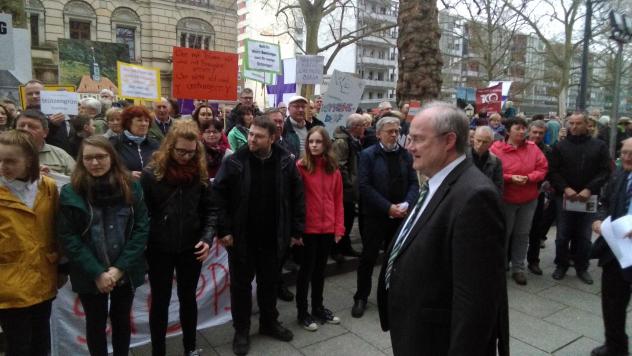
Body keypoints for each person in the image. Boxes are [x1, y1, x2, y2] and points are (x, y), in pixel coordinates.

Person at [377, 102, 508, 356]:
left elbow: (475, 302)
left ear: (449, 141)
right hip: (415, 328)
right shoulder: (436, 181)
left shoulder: (476, 197)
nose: (409, 146)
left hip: (436, 340)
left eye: (418, 139)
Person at [213, 116, 305, 356]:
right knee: (241, 288)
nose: (252, 139)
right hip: (243, 238)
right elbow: (218, 198)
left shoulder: (285, 161)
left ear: (272, 138)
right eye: (251, 134)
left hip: (274, 237)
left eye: (258, 136)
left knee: (269, 283)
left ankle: (268, 322)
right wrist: (224, 230)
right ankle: (241, 330)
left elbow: (297, 196)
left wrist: (296, 230)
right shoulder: (234, 162)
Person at [57, 136, 149, 356]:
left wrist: (119, 269)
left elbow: (141, 228)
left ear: (112, 158)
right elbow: (68, 237)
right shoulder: (71, 192)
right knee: (95, 324)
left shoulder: (131, 187)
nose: (95, 163)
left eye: (100, 157)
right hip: (89, 274)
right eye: (88, 158)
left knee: (121, 320)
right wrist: (98, 273)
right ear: (81, 161)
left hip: (124, 271)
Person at [141, 120, 216, 356]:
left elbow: (210, 210)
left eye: (191, 152)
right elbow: (143, 215)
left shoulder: (199, 172)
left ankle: (190, 347)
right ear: (170, 147)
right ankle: (158, 351)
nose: (185, 156)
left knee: (188, 299)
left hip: (190, 246)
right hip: (160, 248)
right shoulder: (151, 174)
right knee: (160, 302)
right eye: (181, 151)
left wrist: (207, 238)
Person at [351, 116, 419, 318]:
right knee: (368, 257)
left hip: (400, 215)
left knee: (395, 258)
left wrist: (406, 203)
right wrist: (388, 207)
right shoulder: (368, 155)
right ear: (379, 133)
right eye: (390, 131)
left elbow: (414, 184)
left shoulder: (406, 156)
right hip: (375, 215)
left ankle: (390, 296)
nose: (394, 135)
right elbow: (364, 186)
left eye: (397, 131)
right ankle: (361, 297)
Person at [0, 130, 60, 356]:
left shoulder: (47, 187)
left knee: (41, 343)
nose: (3, 166)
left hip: (43, 280)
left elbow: (55, 229)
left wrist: (61, 266)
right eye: (0, 160)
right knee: (18, 346)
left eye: (10, 161)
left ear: (29, 161)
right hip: (9, 285)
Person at [549, 112, 611, 284]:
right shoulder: (560, 146)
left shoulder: (599, 146)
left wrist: (589, 189)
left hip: (588, 198)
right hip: (564, 197)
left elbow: (605, 171)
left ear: (586, 125)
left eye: (578, 123)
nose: (574, 127)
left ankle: (581, 266)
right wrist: (565, 188)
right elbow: (553, 171)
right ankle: (561, 264)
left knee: (584, 235)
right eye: (572, 123)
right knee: (562, 234)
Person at [295, 127, 345, 331]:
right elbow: (295, 200)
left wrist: (338, 227)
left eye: (318, 142)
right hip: (308, 229)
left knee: (319, 272)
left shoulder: (333, 169)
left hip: (327, 228)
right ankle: (302, 312)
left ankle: (318, 307)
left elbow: (338, 199)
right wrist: (296, 231)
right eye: (311, 141)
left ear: (326, 144)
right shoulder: (301, 166)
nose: (314, 145)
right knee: (305, 273)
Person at [491, 117, 548, 285]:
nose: (523, 131)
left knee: (522, 235)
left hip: (528, 199)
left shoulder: (533, 148)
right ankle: (500, 266)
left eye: (524, 128)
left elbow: (543, 168)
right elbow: (492, 171)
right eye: (518, 128)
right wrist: (509, 178)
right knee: (504, 233)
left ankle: (518, 268)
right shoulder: (496, 148)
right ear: (508, 131)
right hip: (506, 199)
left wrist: (529, 178)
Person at [590, 138, 632, 356]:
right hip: (615, 251)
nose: (626, 158)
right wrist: (598, 219)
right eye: (624, 153)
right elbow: (605, 202)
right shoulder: (618, 175)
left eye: (631, 154)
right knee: (612, 304)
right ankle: (615, 346)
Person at [331, 113, 365, 261]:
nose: (365, 128)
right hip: (345, 190)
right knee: (343, 219)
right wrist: (350, 183)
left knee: (349, 219)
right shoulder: (342, 142)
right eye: (363, 125)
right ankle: (336, 249)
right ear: (355, 127)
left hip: (350, 189)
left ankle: (345, 246)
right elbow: (339, 165)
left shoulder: (353, 140)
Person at [526, 120, 555, 275]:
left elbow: (550, 172)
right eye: (535, 132)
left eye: (541, 133)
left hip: (538, 194)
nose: (537, 135)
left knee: (536, 229)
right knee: (515, 229)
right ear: (529, 131)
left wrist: (545, 188)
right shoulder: (520, 146)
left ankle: (533, 260)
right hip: (519, 193)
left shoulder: (548, 151)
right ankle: (509, 259)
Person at [16, 109, 76, 176]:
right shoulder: (3, 152)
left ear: (45, 132)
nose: (25, 129)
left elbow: (77, 181)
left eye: (32, 127)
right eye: (21, 126)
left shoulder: (61, 156)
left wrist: (52, 175)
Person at [110, 105, 159, 180]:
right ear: (128, 123)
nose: (144, 124)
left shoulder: (154, 144)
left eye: (146, 120)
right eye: (139, 120)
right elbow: (108, 170)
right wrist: (127, 175)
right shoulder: (115, 143)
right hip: (126, 188)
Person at [24, 79, 74, 154]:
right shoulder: (23, 117)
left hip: (65, 157)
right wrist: (53, 125)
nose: (34, 96)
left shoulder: (58, 110)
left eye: (38, 93)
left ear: (45, 93)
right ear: (25, 96)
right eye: (30, 94)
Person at [468, 125, 503, 193]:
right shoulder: (462, 157)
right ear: (474, 138)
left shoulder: (496, 161)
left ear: (491, 143)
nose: (480, 145)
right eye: (478, 140)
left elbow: (498, 186)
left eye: (485, 142)